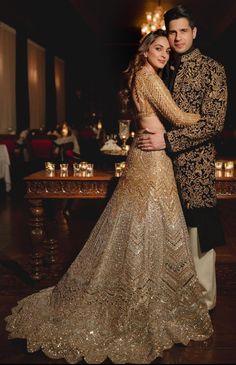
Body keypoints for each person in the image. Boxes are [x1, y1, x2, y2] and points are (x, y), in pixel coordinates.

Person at [5, 30, 213, 364]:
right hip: (152, 164)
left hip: (147, 159)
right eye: (157, 48)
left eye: (166, 49)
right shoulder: (150, 78)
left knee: (140, 226)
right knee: (147, 225)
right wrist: (209, 119)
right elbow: (177, 117)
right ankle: (139, 302)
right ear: (144, 52)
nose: (163, 53)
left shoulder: (143, 77)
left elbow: (164, 122)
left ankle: (147, 294)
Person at [137, 5, 228, 311]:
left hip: (195, 166)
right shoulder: (163, 68)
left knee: (198, 233)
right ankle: (173, 300)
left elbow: (213, 122)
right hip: (161, 167)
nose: (176, 38)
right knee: (166, 234)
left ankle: (203, 304)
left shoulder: (212, 69)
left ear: (194, 32)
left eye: (182, 31)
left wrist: (169, 140)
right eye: (172, 31)